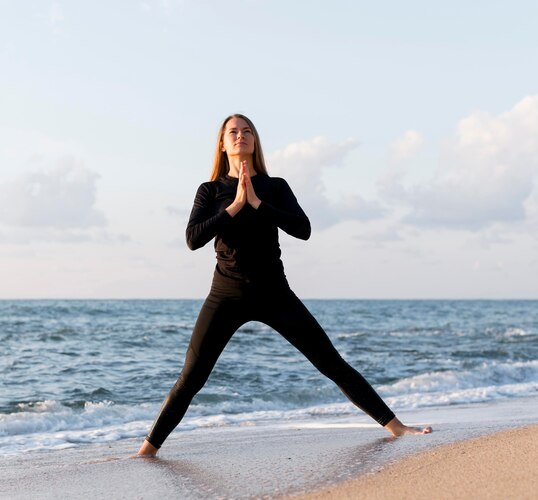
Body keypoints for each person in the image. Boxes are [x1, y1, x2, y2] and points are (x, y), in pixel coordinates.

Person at [137, 114, 431, 457]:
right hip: (226, 294)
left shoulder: (275, 187)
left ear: (255, 141)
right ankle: (146, 451)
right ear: (222, 143)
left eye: (247, 131)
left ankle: (397, 428)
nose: (240, 136)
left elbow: (302, 228)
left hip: (274, 292)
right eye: (233, 132)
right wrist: (234, 207)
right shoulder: (210, 190)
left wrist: (258, 203)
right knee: (191, 377)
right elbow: (193, 239)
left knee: (331, 363)